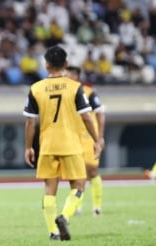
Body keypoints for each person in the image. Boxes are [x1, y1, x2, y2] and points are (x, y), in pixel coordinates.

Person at [23, 46, 101, 241]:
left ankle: (52, 231)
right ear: (66, 64)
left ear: (46, 64)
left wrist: (28, 147)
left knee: (50, 187)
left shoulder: (36, 88)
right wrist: (96, 139)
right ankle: (64, 216)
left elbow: (30, 121)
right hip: (70, 144)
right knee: (79, 185)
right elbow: (87, 118)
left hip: (47, 145)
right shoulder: (75, 87)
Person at [65, 66, 106, 216]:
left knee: (92, 170)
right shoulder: (65, 93)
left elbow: (100, 114)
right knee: (76, 173)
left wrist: (99, 137)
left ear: (75, 76)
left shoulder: (89, 93)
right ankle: (77, 206)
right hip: (72, 137)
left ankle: (97, 206)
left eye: (67, 74)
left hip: (89, 137)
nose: (64, 76)